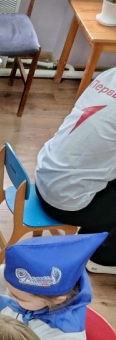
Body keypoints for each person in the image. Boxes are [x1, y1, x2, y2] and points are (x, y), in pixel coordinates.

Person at [35, 67, 116, 274]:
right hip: (65, 203)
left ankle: (95, 238)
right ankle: (103, 257)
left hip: (45, 177)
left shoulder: (110, 74)